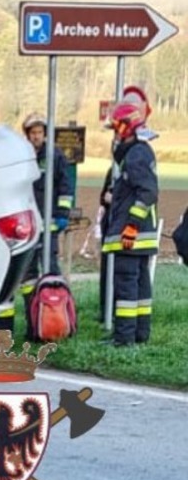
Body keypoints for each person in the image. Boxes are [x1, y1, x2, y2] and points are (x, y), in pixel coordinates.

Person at [0, 112, 73, 335]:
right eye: (33, 132)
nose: (37, 136)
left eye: (40, 132)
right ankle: (34, 324)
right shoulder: (21, 157)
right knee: (27, 278)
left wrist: (62, 214)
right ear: (27, 135)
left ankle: (54, 322)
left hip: (50, 227)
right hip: (27, 228)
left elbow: (66, 188)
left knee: (50, 274)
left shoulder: (55, 156)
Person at [101, 99, 159, 346]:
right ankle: (139, 334)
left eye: (116, 128)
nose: (114, 134)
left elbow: (147, 192)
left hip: (131, 235)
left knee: (126, 287)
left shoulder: (136, 154)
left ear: (126, 127)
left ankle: (124, 338)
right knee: (140, 287)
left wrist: (132, 225)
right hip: (140, 234)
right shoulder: (140, 151)